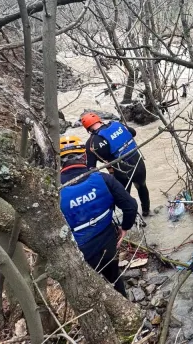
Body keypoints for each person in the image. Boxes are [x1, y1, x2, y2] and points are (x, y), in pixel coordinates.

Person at [59, 136, 138, 297]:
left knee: (89, 289)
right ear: (85, 156)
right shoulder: (103, 179)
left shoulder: (55, 190)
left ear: (59, 161)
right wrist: (125, 228)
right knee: (114, 277)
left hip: (78, 250)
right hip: (108, 242)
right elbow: (131, 206)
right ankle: (124, 303)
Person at [80, 112, 152, 217]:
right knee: (142, 186)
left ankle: (131, 220)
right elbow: (133, 132)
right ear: (99, 120)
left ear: (87, 129)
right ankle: (146, 212)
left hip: (120, 171)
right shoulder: (117, 125)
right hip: (138, 163)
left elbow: (91, 168)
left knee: (124, 198)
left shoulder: (91, 143)